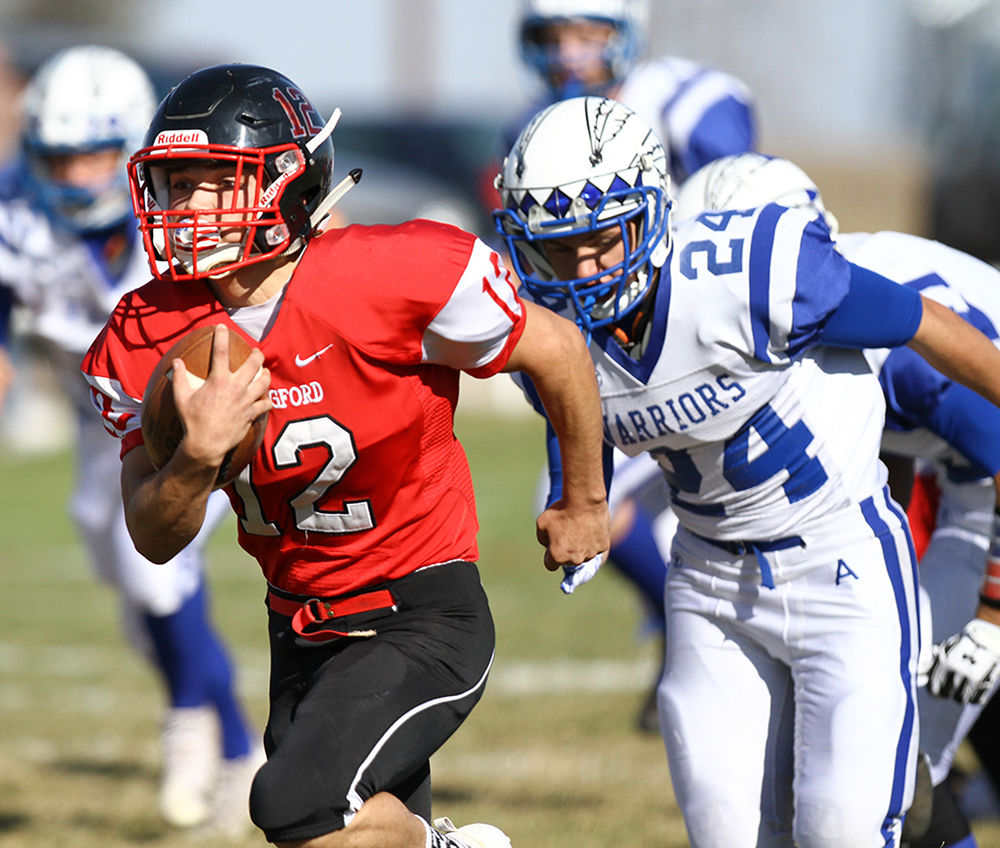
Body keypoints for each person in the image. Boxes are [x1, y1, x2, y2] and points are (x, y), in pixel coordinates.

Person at [80, 62, 610, 848]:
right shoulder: (149, 332)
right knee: (324, 832)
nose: (183, 208)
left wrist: (584, 499)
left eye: (211, 182)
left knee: (292, 803)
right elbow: (154, 537)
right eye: (173, 183)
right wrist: (197, 455)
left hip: (421, 611)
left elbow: (559, 348)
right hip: (297, 622)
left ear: (285, 184)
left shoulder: (391, 274)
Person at [493, 95, 1000, 848]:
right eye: (555, 247)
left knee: (849, 824)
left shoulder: (767, 279)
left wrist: (991, 612)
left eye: (601, 237)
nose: (582, 271)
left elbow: (928, 335)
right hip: (709, 581)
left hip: (846, 559)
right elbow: (580, 410)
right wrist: (582, 497)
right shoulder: (547, 338)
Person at [672, 150, 1000, 848]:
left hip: (983, 481)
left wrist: (993, 617)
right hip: (962, 475)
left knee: (904, 744)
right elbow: (876, 457)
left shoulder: (887, 342)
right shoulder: (794, 320)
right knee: (896, 762)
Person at [0, 45, 264, 835]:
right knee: (130, 585)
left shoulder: (184, 216)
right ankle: (234, 742)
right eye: (60, 156)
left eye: (94, 155)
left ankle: (198, 722)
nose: (78, 175)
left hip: (196, 422)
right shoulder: (15, 213)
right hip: (97, 424)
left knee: (156, 579)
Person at [505, 0, 759, 732]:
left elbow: (737, 212)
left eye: (588, 34)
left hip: (708, 351)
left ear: (628, 37)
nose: (569, 54)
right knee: (591, 505)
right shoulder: (534, 127)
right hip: (615, 354)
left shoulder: (690, 103)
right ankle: (691, 644)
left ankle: (700, 646)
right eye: (553, 36)